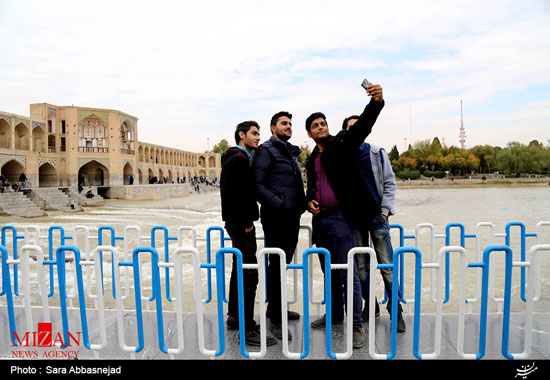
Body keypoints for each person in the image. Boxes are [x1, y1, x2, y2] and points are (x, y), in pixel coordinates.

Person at [305, 83, 384, 349]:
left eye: (323, 123)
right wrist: (309, 201)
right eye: (316, 125)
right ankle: (335, 316)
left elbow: (363, 127)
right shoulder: (311, 158)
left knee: (348, 271)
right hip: (321, 221)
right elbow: (311, 186)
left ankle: (357, 325)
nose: (321, 127)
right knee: (330, 272)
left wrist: (376, 103)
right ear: (309, 133)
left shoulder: (342, 144)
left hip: (342, 220)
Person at [342, 115, 406, 333]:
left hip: (377, 217)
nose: (356, 130)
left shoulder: (377, 153)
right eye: (352, 128)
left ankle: (395, 309)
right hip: (355, 219)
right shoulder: (342, 154)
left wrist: (385, 212)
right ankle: (371, 304)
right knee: (361, 267)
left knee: (387, 265)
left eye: (360, 125)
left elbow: (389, 182)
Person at [220, 121, 277, 347]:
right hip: (241, 225)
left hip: (236, 223)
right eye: (254, 133)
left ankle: (235, 317)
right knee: (249, 275)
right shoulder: (240, 159)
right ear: (241, 135)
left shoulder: (235, 158)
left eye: (258, 133)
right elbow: (237, 195)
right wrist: (246, 224)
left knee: (239, 269)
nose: (257, 137)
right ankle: (247, 329)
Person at [252, 111, 306, 340]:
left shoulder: (289, 152)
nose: (289, 126)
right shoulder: (266, 151)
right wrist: (280, 205)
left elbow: (293, 184)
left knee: (283, 265)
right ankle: (275, 320)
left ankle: (274, 308)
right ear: (273, 128)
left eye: (290, 124)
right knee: (276, 267)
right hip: (276, 218)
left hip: (292, 217)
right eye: (284, 123)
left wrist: (302, 204)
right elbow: (257, 185)